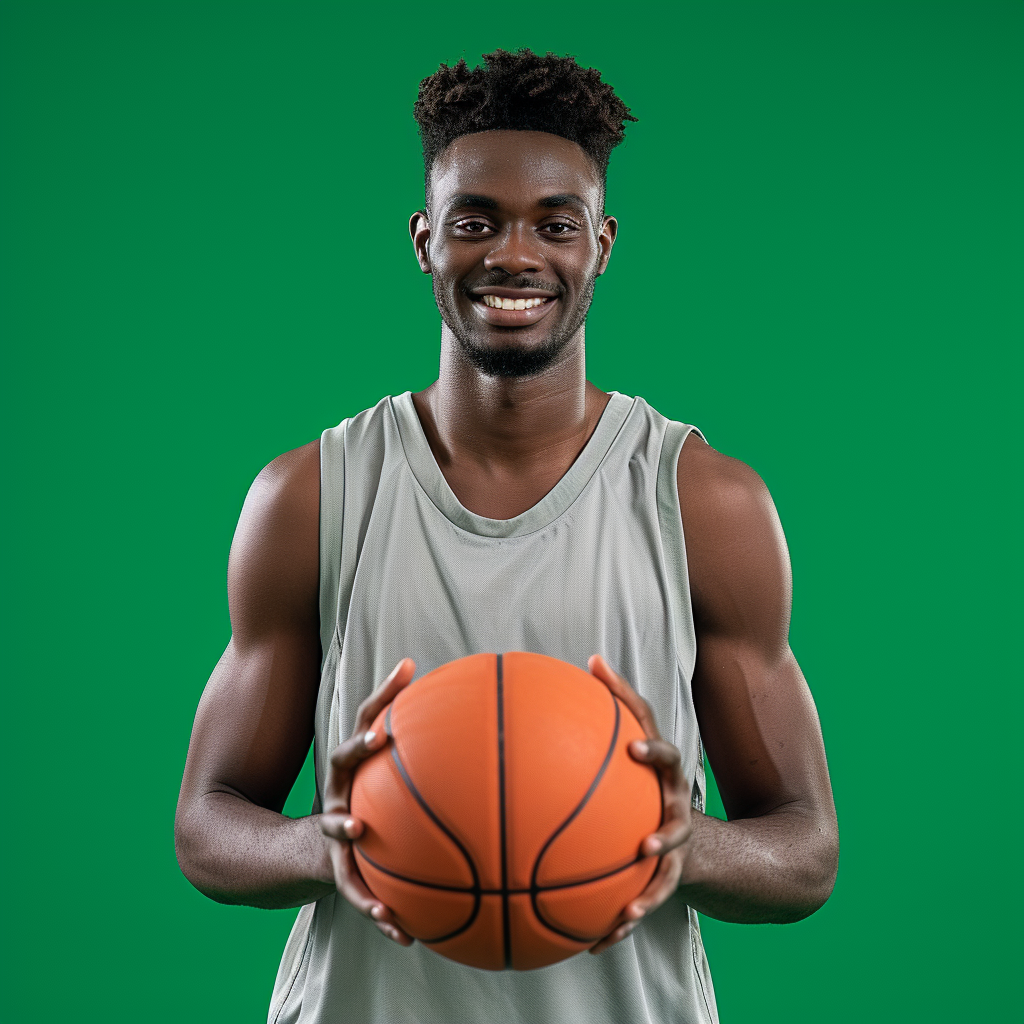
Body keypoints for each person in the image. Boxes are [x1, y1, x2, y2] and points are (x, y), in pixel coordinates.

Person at [174, 49, 838, 1024]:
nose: (514, 255)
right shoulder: (311, 493)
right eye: (474, 220)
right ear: (423, 239)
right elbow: (205, 824)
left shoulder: (703, 499)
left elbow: (807, 850)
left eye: (554, 224)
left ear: (601, 244)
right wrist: (343, 840)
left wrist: (669, 840)